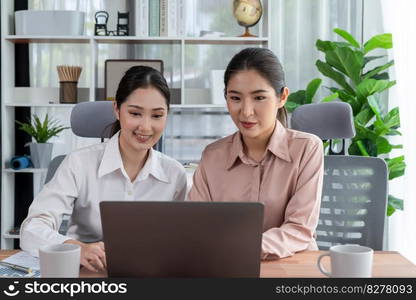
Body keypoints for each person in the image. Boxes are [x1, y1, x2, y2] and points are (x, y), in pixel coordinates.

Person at [20, 66, 187, 271]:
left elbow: (183, 240)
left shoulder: (175, 174)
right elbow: (32, 229)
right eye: (135, 113)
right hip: (87, 272)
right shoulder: (79, 163)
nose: (145, 127)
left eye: (157, 116)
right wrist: (76, 248)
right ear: (117, 110)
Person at [187, 48, 324, 260]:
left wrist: (241, 246)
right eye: (235, 98)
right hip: (228, 267)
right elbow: (196, 225)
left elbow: (299, 229)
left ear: (282, 97)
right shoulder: (212, 156)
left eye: (259, 97)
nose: (246, 111)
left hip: (291, 267)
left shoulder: (307, 149)